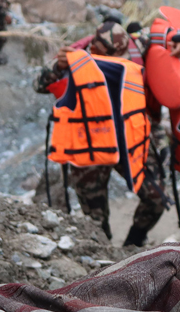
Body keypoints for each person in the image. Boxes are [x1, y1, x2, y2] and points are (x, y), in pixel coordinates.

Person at [35, 22, 168, 246]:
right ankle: (105, 255)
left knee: (156, 199)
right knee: (95, 220)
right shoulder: (75, 61)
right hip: (89, 145)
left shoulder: (138, 47)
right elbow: (39, 84)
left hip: (129, 141)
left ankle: (133, 246)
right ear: (96, 53)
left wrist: (160, 140)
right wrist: (58, 68)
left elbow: (175, 43)